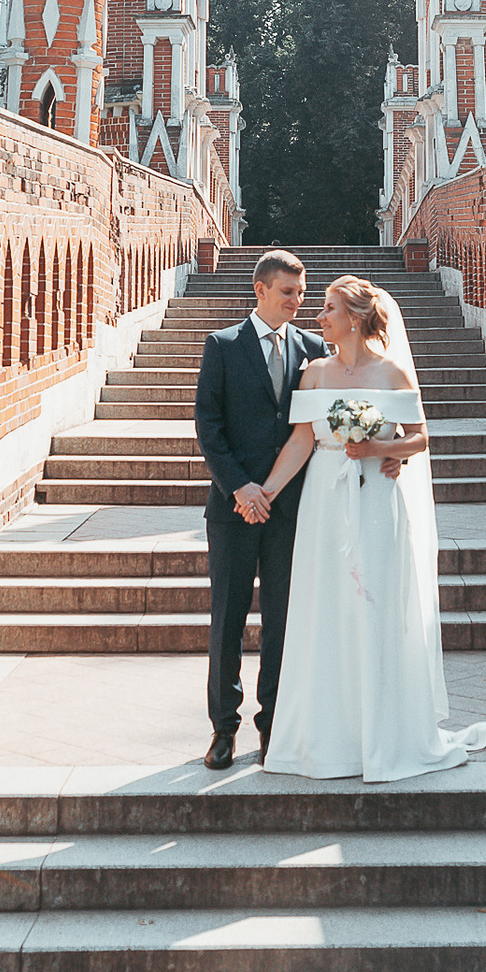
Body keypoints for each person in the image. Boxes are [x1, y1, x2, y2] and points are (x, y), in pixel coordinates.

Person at [256, 275, 486, 783]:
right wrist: (266, 492)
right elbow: (300, 442)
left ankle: (383, 735)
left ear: (356, 317)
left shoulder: (391, 373)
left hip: (378, 499)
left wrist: (379, 448)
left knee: (375, 605)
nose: (319, 317)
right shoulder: (314, 374)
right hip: (325, 499)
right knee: (326, 607)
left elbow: (419, 439)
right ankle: (329, 738)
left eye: (329, 308)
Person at [192, 248, 326, 771]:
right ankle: (223, 728)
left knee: (282, 621)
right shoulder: (223, 345)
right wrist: (240, 489)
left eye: (302, 292)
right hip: (233, 510)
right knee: (227, 620)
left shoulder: (313, 349)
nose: (298, 301)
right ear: (261, 290)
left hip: (289, 509)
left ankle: (273, 725)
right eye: (289, 292)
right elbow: (209, 427)